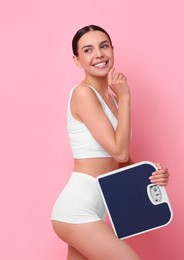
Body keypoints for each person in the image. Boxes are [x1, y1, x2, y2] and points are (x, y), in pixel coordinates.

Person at [51, 25, 170, 259]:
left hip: (98, 208)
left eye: (104, 46)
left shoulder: (112, 99)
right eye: (88, 50)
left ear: (112, 50)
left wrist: (153, 175)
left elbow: (121, 164)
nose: (99, 54)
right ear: (77, 60)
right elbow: (119, 152)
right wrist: (126, 96)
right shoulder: (83, 94)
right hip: (77, 209)